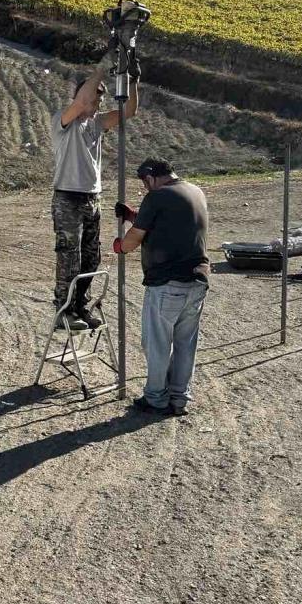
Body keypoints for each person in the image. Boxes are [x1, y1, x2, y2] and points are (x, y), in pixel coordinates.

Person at [111, 158, 209, 416]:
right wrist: (133, 215)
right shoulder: (194, 191)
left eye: (145, 182)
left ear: (151, 177)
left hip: (167, 283)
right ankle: (179, 398)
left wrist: (120, 246)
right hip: (197, 280)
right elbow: (171, 223)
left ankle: (155, 398)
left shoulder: (157, 197)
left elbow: (133, 240)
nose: (146, 188)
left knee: (157, 344)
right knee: (186, 343)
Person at [51, 62, 139, 332]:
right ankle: (64, 311)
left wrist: (133, 80)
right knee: (70, 257)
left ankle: (81, 306)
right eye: (96, 95)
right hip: (68, 197)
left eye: (102, 96)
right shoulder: (64, 120)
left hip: (92, 197)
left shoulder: (97, 124)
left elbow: (129, 111)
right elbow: (81, 101)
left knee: (91, 257)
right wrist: (100, 71)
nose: (99, 99)